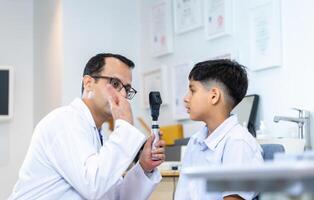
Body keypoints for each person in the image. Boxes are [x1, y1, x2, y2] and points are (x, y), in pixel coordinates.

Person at [9, 53, 166, 200]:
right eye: (115, 83)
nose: (123, 95)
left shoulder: (95, 133)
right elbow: (93, 186)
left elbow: (113, 195)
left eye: (127, 89)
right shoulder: (64, 121)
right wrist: (124, 126)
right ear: (88, 83)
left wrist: (144, 167)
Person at [175, 59, 263, 200]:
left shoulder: (238, 142)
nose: (186, 98)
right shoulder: (195, 142)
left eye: (192, 90)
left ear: (214, 96)